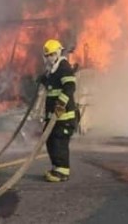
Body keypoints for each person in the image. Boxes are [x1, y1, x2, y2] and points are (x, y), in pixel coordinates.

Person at [38, 39, 77, 182]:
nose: (49, 58)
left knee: (59, 143)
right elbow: (52, 86)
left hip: (64, 117)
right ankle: (56, 168)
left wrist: (61, 103)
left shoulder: (63, 67)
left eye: (52, 54)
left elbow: (70, 86)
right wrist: (42, 79)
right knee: (50, 141)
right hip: (53, 117)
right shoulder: (52, 70)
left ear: (59, 53)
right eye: (47, 55)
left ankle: (62, 172)